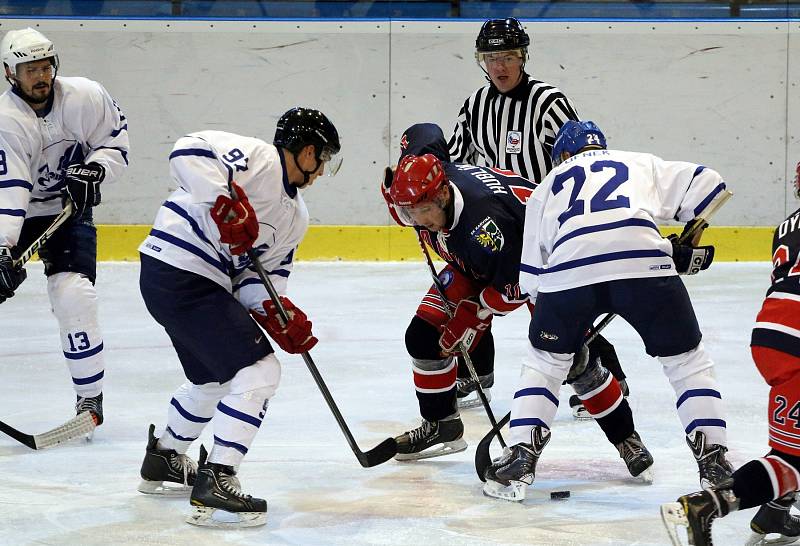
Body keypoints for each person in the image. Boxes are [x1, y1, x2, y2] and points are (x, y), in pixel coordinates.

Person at [382, 123, 653, 481]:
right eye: (407, 213)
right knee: (422, 335)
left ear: (443, 196)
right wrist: (398, 179)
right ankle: (441, 425)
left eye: (421, 212)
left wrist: (476, 313)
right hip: (479, 259)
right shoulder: (428, 179)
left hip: (543, 260)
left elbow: (518, 285)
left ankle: (626, 438)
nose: (416, 222)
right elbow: (426, 132)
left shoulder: (485, 227)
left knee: (576, 360)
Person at [482, 120, 733, 502]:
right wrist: (677, 243)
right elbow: (708, 184)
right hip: (644, 264)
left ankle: (520, 458)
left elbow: (532, 276)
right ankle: (715, 462)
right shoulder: (637, 162)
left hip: (568, 274)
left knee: (546, 363)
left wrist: (563, 322)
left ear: (563, 156)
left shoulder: (547, 187)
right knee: (687, 362)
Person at [136, 107, 341, 528]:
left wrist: (280, 314)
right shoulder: (258, 158)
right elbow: (186, 150)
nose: (321, 169)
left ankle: (164, 457)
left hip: (181, 281)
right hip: (180, 268)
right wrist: (223, 199)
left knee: (214, 378)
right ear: (305, 151)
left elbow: (257, 280)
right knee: (260, 371)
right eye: (322, 157)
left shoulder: (295, 217)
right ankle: (218, 476)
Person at [447, 17, 628, 415]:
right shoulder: (475, 106)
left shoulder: (548, 101)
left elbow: (581, 160)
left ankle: (609, 375)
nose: (499, 66)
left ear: (523, 57)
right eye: (490, 57)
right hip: (495, 223)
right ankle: (475, 373)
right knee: (475, 289)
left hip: (546, 226)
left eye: (508, 56)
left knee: (557, 304)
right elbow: (456, 163)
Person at [660, 164, 800, 546]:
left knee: (793, 449)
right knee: (795, 459)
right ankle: (704, 506)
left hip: (772, 332)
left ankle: (775, 510)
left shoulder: (786, 226)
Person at [0, 28, 130, 428]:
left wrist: (95, 170)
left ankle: (89, 400)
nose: (40, 77)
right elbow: (11, 189)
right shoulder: (6, 120)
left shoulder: (87, 96)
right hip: (16, 212)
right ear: (10, 73)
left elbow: (116, 143)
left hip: (66, 209)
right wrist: (2, 249)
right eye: (29, 70)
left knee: (73, 295)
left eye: (45, 66)